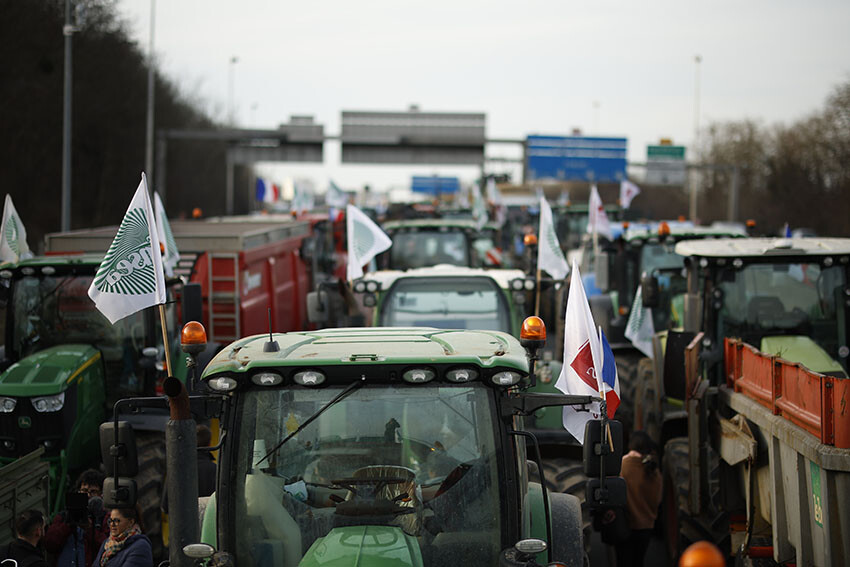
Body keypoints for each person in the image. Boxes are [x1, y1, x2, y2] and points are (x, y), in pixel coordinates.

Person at [615, 431, 663, 567]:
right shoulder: (653, 470)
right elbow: (658, 499)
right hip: (646, 528)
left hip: (625, 526)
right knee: (638, 562)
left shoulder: (621, 466)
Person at [43, 469, 108, 567]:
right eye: (84, 491)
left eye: (93, 491)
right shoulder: (63, 516)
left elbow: (108, 547)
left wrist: (89, 529)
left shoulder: (104, 517)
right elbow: (50, 544)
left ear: (101, 494)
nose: (88, 495)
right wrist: (69, 524)